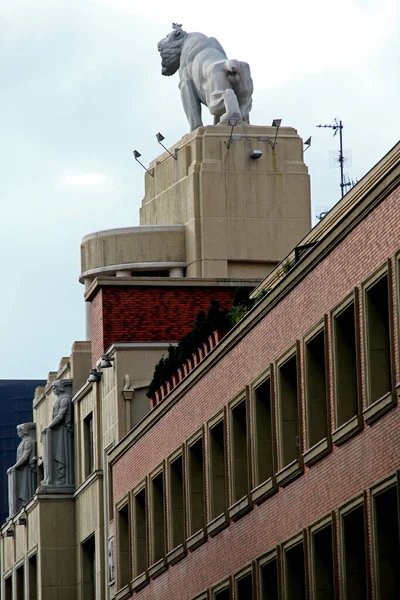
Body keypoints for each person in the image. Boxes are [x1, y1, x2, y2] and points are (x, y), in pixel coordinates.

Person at [42, 379, 74, 486]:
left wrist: (49, 426)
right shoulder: (60, 399)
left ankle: (62, 478)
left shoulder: (65, 399)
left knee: (61, 453)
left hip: (63, 432)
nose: (54, 390)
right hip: (58, 431)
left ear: (60, 387)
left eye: (55, 387)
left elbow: (61, 416)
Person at [8, 423, 36, 515]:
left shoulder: (28, 442)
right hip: (22, 470)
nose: (18, 433)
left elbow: (24, 457)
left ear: (24, 431)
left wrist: (14, 467)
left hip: (26, 471)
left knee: (25, 489)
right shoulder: (22, 442)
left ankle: (26, 505)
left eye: (19, 430)